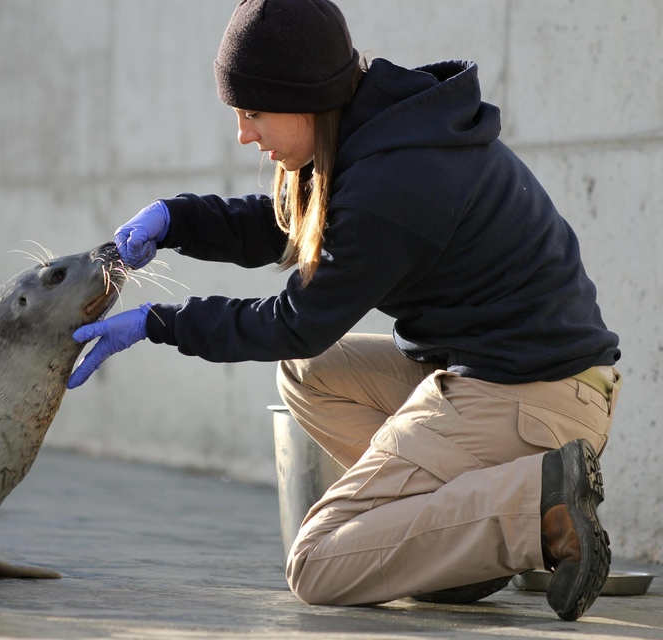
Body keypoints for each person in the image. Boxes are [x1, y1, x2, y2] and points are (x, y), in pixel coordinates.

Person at [66, 0, 622, 622]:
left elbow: (295, 321)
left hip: (532, 398)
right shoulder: (379, 131)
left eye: (253, 113)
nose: (244, 135)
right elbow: (288, 229)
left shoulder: (394, 182)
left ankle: (539, 505)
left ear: (303, 98)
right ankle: (457, 544)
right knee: (309, 374)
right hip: (514, 377)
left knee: (319, 562)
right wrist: (177, 218)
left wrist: (157, 323)